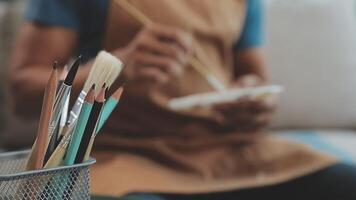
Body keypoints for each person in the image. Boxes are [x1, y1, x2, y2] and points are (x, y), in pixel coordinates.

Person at [9, 0, 356, 199]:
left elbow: (254, 78)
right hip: (122, 157)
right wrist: (115, 67)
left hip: (227, 154)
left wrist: (255, 102)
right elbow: (23, 92)